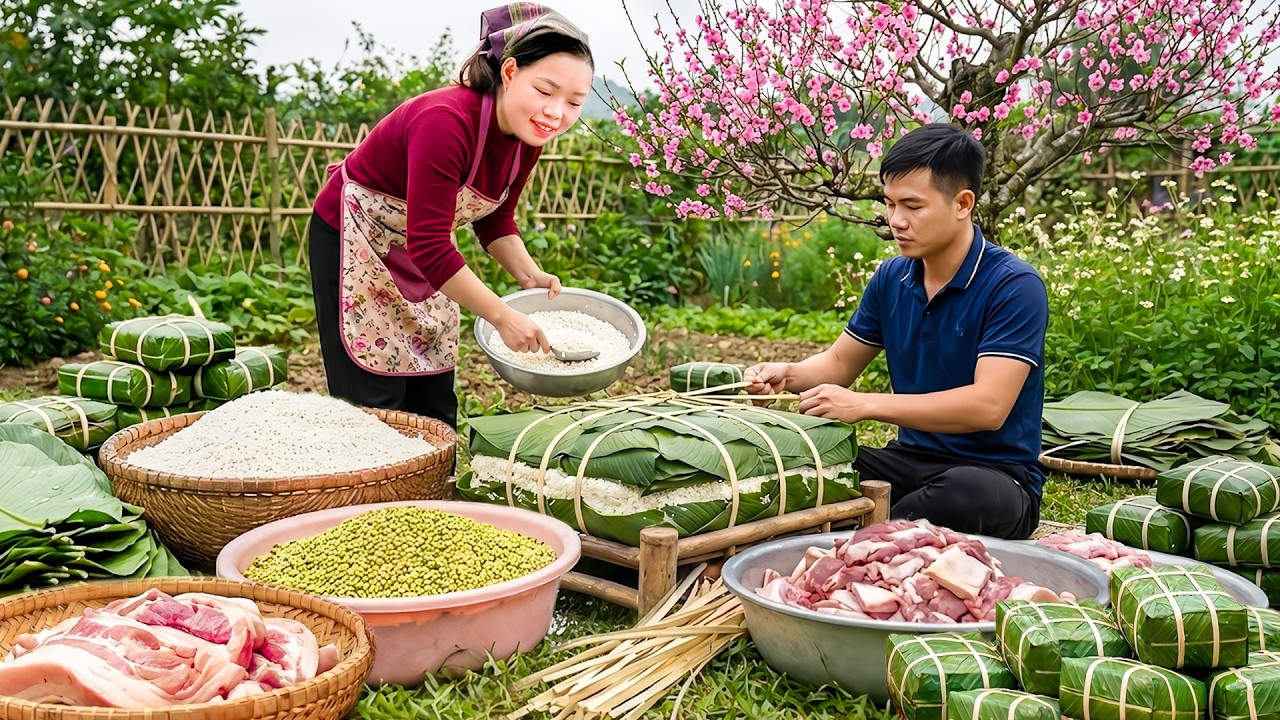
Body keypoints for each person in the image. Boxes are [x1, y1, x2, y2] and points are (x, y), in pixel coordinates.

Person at [744, 124, 1049, 540]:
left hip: (994, 476)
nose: (896, 221)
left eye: (912, 206)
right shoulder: (892, 277)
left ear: (962, 204)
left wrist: (864, 404)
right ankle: (881, 533)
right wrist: (786, 374)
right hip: (908, 460)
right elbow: (837, 364)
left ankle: (862, 540)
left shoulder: (1013, 285)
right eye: (889, 204)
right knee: (803, 464)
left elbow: (987, 406)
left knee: (964, 494)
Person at [309, 4, 593, 428]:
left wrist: (529, 275)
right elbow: (430, 245)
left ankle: (434, 491)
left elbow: (495, 220)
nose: (556, 112)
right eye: (545, 90)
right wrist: (500, 315)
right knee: (374, 402)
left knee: (433, 394)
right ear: (510, 72)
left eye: (574, 102)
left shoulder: (527, 138)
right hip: (357, 237)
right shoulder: (444, 121)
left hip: (425, 245)